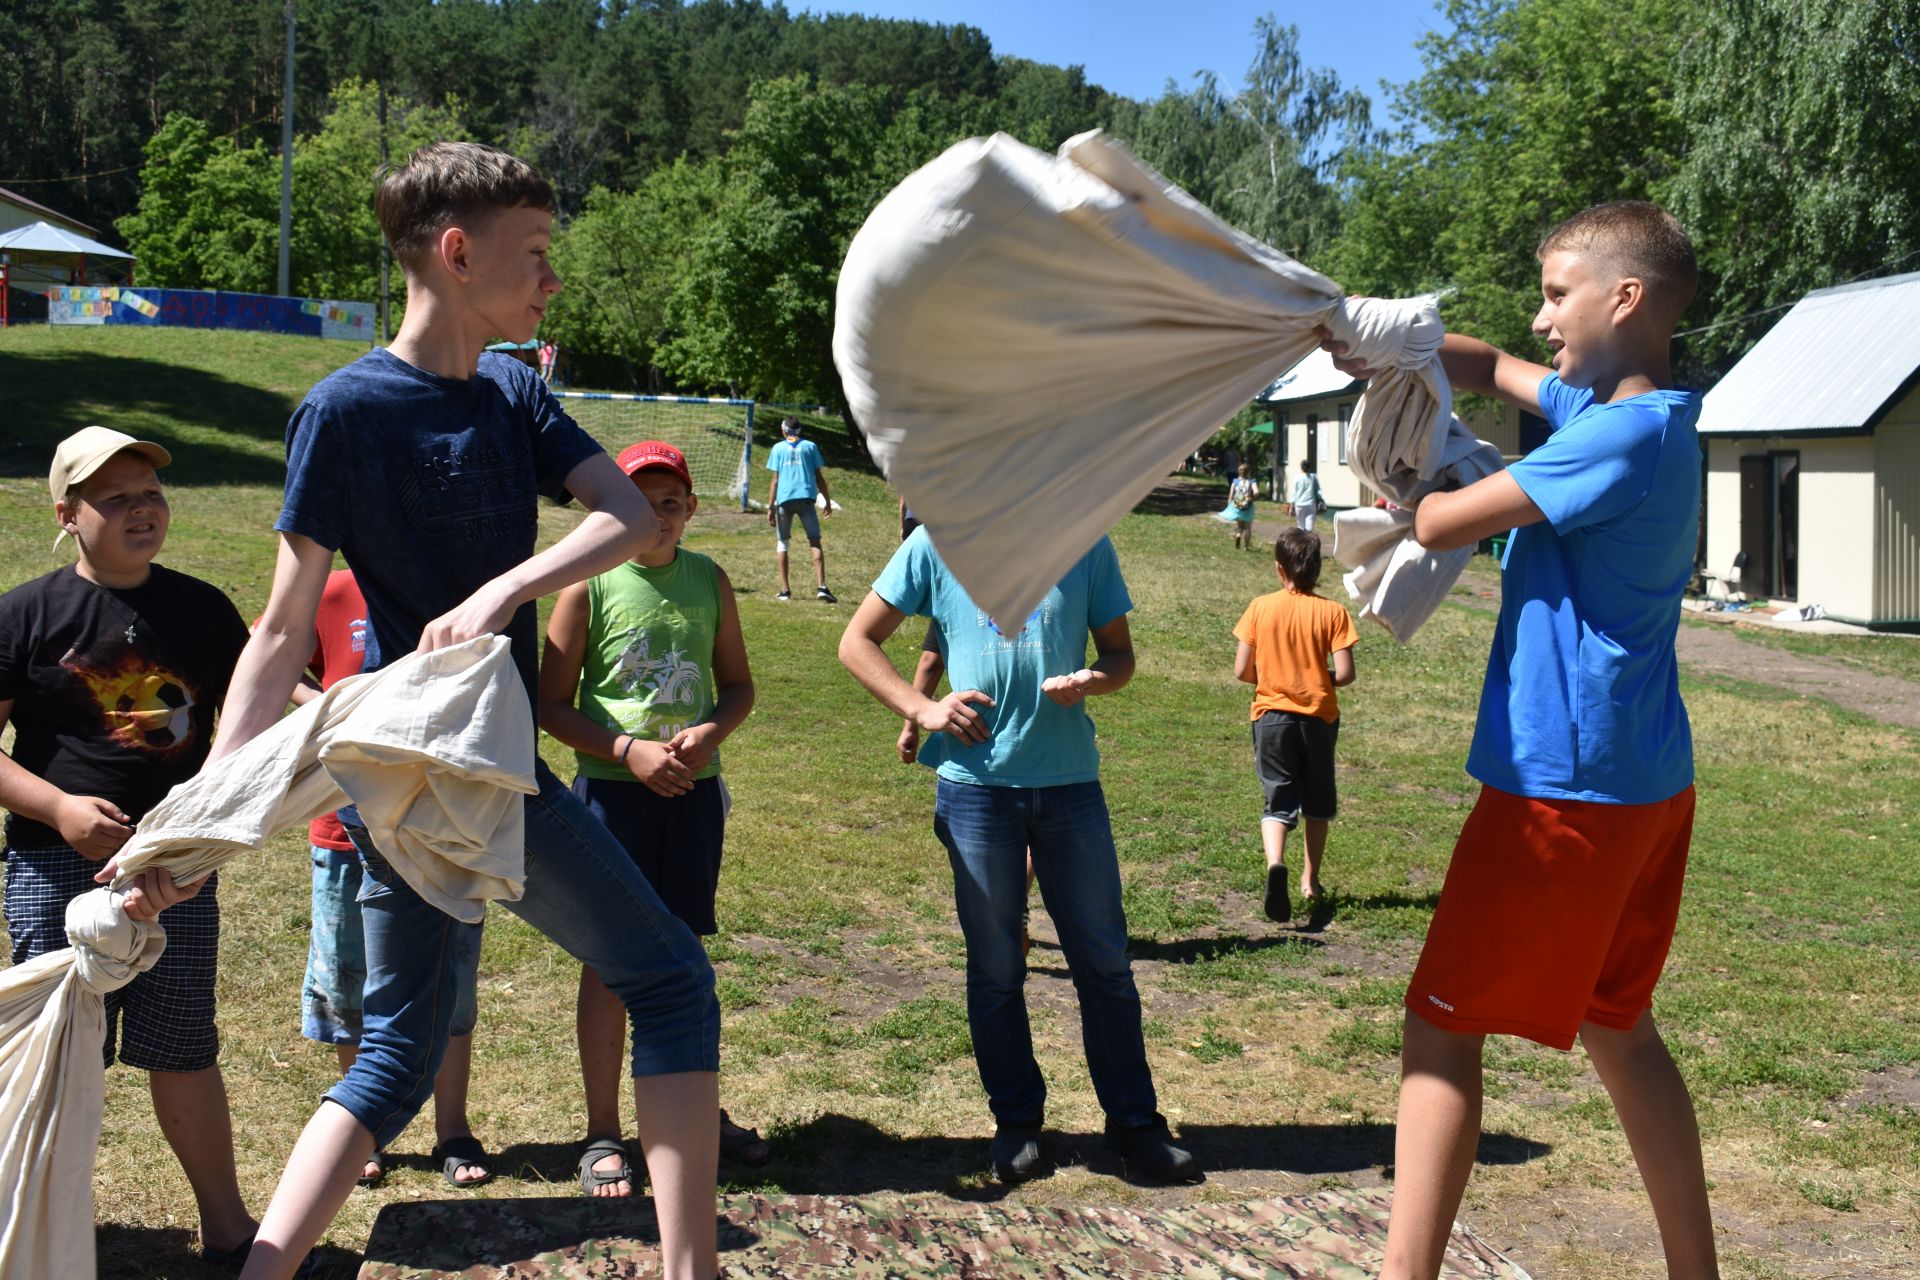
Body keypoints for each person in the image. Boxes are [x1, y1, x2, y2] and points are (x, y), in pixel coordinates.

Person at [106, 142, 724, 1280]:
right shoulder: (343, 410)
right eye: (533, 254)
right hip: (434, 774)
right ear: (455, 252)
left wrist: (501, 589)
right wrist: (199, 824)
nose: (549, 280)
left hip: (449, 777)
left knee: (394, 1051)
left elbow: (630, 519)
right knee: (673, 979)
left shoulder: (515, 391)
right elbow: (282, 631)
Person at [1321, 200, 1715, 1280]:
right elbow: (1488, 362)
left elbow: (1443, 521)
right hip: (1644, 784)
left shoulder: (1619, 437)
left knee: (1440, 1026)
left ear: (1624, 297)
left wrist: (1421, 469)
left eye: (1557, 292)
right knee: (1618, 1023)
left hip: (1566, 795)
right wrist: (1375, 342)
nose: (1542, 318)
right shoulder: (1645, 412)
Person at [840, 530, 1197, 1187]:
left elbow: (1119, 655)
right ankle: (1016, 1124)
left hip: (1070, 786)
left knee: (1105, 962)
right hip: (977, 794)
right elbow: (856, 641)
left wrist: (1094, 677)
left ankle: (1135, 1126)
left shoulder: (1086, 542)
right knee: (998, 967)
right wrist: (921, 707)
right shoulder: (937, 542)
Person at [0, 428, 257, 1266]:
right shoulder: (26, 614)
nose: (142, 510)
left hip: (176, 872)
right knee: (59, 1051)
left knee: (183, 1046)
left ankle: (227, 1233)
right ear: (67, 514)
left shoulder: (201, 608)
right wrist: (61, 809)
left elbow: (265, 700)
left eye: (151, 492)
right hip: (52, 864)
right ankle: (42, 1229)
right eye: (117, 499)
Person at [538, 439, 770, 1195]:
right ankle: (603, 1131)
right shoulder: (588, 585)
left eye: (671, 503)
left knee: (681, 960)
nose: (658, 517)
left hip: (694, 796)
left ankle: (688, 1111)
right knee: (612, 963)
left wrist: (711, 733)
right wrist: (627, 750)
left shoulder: (711, 580)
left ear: (691, 509)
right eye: (640, 503)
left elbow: (737, 686)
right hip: (612, 796)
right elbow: (549, 706)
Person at [286, 568, 490, 1190]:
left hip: (440, 827)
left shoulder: (451, 587)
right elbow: (270, 661)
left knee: (446, 982)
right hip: (344, 828)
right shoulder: (328, 592)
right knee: (352, 982)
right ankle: (364, 1130)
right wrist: (332, 710)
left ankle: (452, 1128)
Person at [1232, 527, 1357, 923]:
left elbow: (1241, 671)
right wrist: (1319, 678)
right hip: (1318, 718)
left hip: (1271, 717)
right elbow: (1346, 673)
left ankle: (1274, 865)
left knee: (1278, 798)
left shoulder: (1260, 607)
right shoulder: (1333, 612)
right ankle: (1310, 880)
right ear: (1317, 569)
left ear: (1278, 569)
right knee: (1316, 803)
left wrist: (1272, 678)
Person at [764, 417, 835, 603]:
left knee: (782, 543)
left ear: (783, 430)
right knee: (815, 542)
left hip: (784, 500)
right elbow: (819, 477)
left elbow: (775, 480)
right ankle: (822, 587)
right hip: (806, 498)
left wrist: (770, 506)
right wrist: (827, 501)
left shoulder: (777, 448)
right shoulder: (810, 446)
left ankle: (785, 590)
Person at [1217, 463, 1259, 550]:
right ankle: (1246, 547)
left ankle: (1238, 534)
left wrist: (1230, 505)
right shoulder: (1252, 481)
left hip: (1238, 505)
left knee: (1240, 526)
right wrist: (1252, 496)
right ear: (1249, 472)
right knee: (1247, 527)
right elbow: (1256, 492)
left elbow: (1231, 494)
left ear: (1239, 472)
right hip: (1248, 506)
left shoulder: (1235, 481)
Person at [1288, 460, 1323, 533]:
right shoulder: (1313, 477)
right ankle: (1308, 539)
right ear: (1309, 467)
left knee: (1300, 526)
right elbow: (1318, 491)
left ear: (1301, 467)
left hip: (1299, 504)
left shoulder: (1297, 478)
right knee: (1309, 527)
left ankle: (1301, 541)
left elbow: (1294, 492)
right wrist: (1320, 500)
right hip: (1310, 504)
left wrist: (1291, 506)